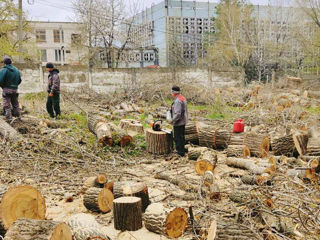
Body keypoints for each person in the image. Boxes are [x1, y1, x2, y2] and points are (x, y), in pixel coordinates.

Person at [0, 56, 22, 123]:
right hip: (15, 90)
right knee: (16, 105)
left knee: (7, 106)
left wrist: (3, 86)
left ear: (4, 63)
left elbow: (0, 80)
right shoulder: (16, 69)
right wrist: (15, 86)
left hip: (7, 90)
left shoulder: (3, 70)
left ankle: (9, 120)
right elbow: (19, 80)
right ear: (11, 62)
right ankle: (18, 118)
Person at [170, 85, 188, 157]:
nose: (171, 93)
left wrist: (172, 121)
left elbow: (177, 113)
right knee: (182, 136)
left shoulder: (177, 100)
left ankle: (180, 152)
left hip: (178, 122)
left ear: (174, 92)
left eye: (171, 92)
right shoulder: (182, 97)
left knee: (177, 137)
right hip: (183, 120)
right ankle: (182, 149)